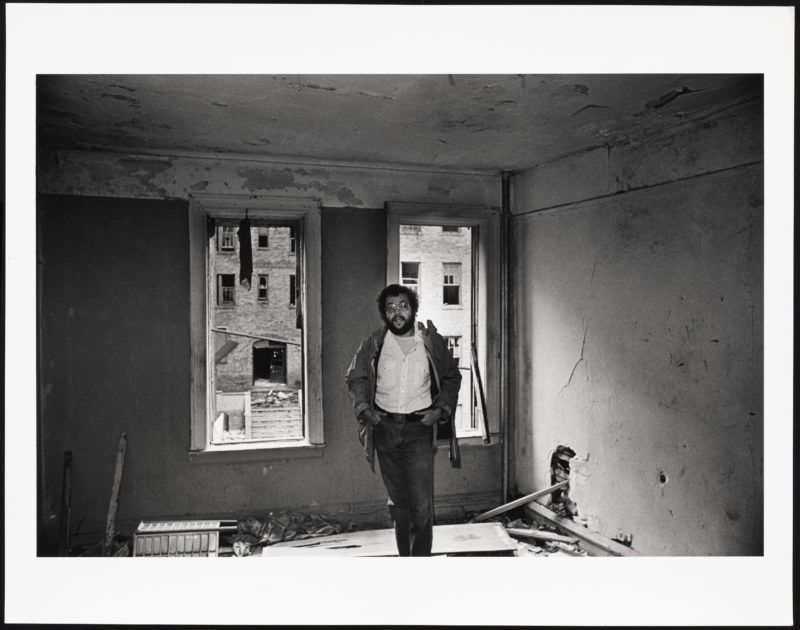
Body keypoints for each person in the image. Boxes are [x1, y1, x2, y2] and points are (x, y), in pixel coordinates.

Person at [345, 284, 462, 556]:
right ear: (384, 313)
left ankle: (419, 563)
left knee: (421, 505)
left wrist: (440, 410)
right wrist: (364, 409)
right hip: (384, 430)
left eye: (403, 306)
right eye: (390, 308)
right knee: (399, 504)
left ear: (414, 309)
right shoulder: (375, 344)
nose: (397, 312)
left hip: (418, 431)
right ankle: (405, 561)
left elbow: (451, 378)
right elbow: (355, 377)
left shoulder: (431, 343)